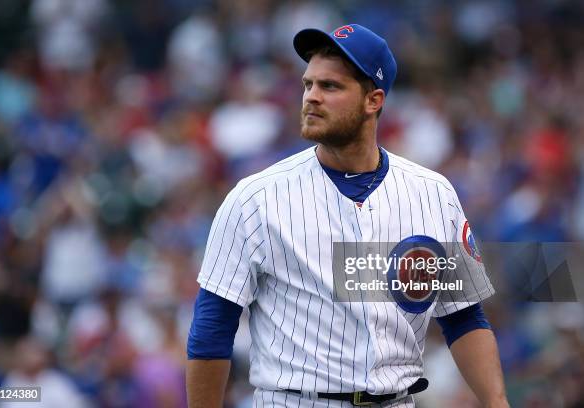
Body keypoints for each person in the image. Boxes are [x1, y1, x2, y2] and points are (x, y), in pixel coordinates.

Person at [186, 24, 509, 407]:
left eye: (330, 87)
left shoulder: (433, 194)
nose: (311, 98)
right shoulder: (255, 198)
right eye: (308, 85)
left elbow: (463, 317)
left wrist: (496, 402)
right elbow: (212, 328)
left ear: (373, 100)